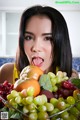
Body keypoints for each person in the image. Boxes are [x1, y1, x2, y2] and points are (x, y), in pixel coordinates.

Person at [0, 5, 79, 84]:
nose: (36, 48)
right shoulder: (6, 72)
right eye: (28, 37)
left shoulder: (70, 77)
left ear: (60, 42)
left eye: (47, 38)